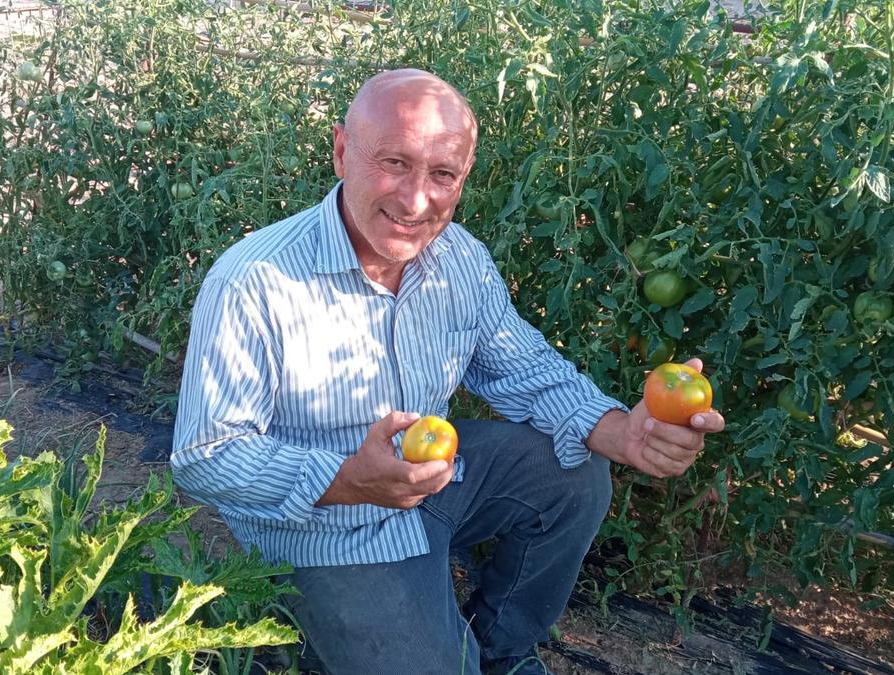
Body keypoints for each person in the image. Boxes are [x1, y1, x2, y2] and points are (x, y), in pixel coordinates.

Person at [172, 68, 726, 674]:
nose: (415, 201)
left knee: (573, 472)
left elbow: (524, 366)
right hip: (319, 532)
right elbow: (206, 456)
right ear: (340, 151)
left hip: (431, 479)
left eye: (442, 174)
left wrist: (624, 431)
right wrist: (349, 479)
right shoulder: (255, 281)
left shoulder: (457, 258)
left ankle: (502, 650)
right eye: (394, 163)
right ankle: (321, 616)